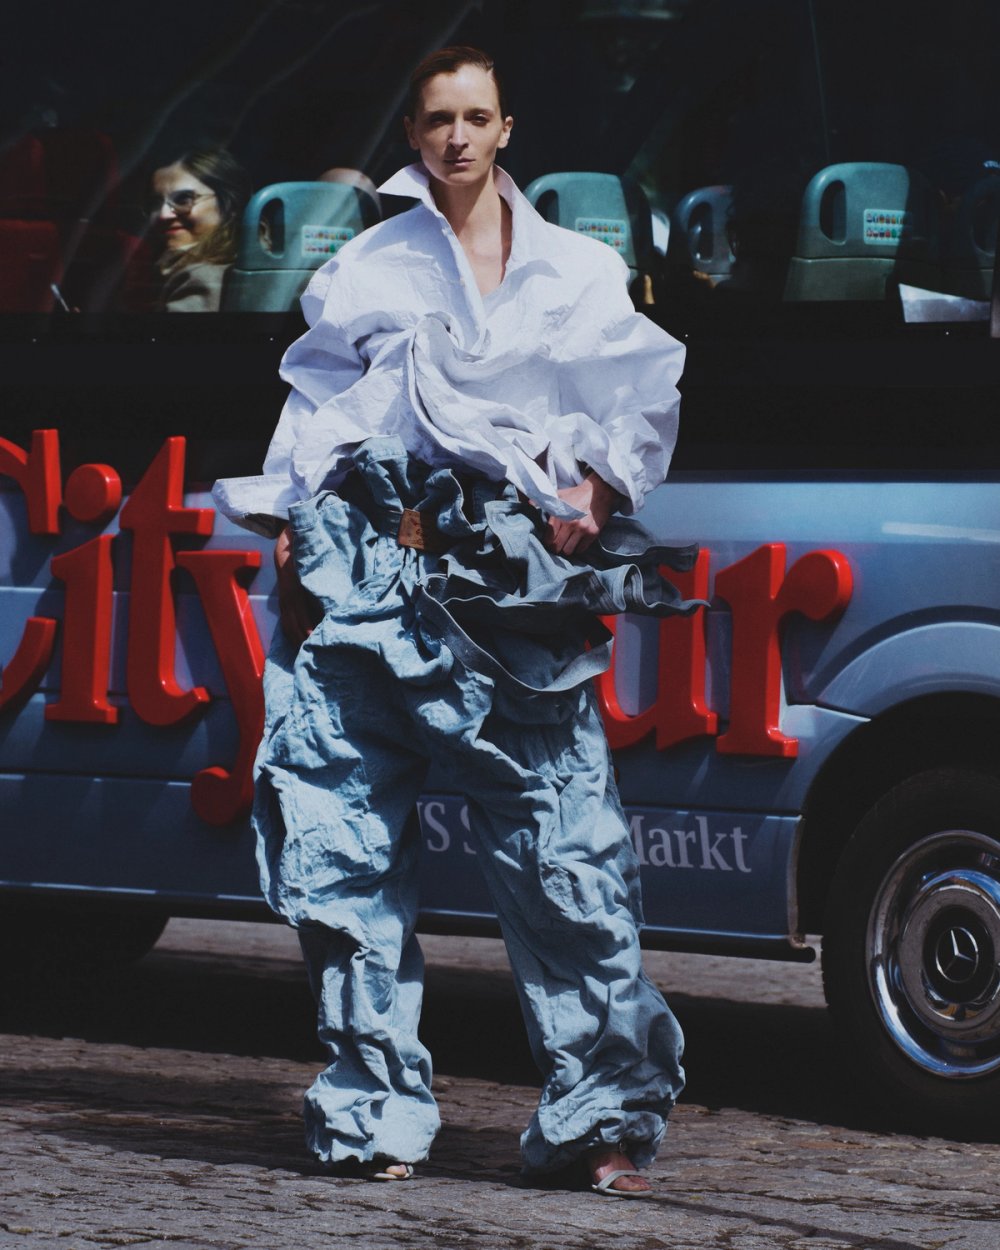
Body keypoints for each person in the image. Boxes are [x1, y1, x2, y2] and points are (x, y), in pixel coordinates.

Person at [213, 46, 697, 1196]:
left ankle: (601, 1119)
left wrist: (599, 493)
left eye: (477, 117)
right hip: (371, 563)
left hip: (511, 579)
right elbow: (316, 399)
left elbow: (640, 393)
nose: (458, 137)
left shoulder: (577, 268)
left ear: (506, 128)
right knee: (342, 847)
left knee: (565, 854)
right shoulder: (367, 266)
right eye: (439, 118)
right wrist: (292, 520)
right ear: (415, 132)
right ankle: (374, 1109)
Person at [148, 147, 251, 312]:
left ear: (228, 204)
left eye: (183, 199)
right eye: (156, 203)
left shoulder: (203, 277)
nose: (163, 215)